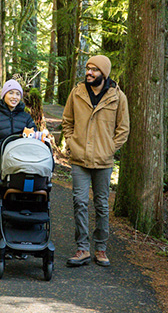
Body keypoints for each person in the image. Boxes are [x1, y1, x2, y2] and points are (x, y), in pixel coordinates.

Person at [62, 55, 130, 267]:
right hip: (79, 158)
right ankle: (82, 248)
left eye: (94, 70)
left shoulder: (118, 98)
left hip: (103, 161)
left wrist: (109, 149)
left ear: (104, 74)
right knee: (79, 202)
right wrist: (72, 142)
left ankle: (100, 249)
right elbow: (67, 121)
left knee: (101, 205)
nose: (89, 73)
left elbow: (123, 129)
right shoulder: (77, 92)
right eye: (87, 68)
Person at [0, 79, 37, 197]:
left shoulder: (26, 117)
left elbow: (34, 136)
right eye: (11, 93)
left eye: (18, 94)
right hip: (1, 162)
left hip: (23, 163)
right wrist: (5, 148)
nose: (14, 97)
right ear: (4, 95)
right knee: (3, 197)